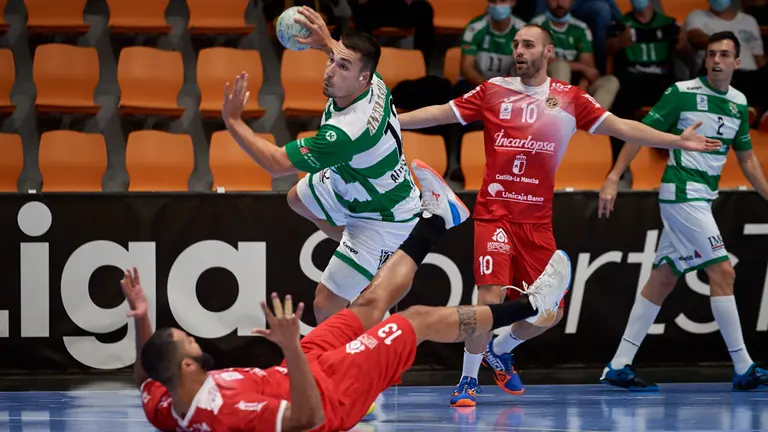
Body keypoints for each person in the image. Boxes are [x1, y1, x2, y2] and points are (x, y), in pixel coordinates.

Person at [395, 23, 722, 407]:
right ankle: (468, 380)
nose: (519, 51)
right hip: (495, 213)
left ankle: (500, 348)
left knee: (550, 311)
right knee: (490, 296)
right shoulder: (495, 90)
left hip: (537, 221)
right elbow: (442, 113)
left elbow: (623, 127)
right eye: (516, 44)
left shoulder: (570, 98)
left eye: (528, 45)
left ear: (548, 52)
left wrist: (676, 140)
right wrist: (395, 121)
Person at [131, 160, 573, 432]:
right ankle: (533, 304)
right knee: (415, 320)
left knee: (366, 303)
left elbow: (145, 377)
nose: (193, 338)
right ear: (186, 366)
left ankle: (437, 217)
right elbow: (307, 419)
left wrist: (142, 317)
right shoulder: (225, 415)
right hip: (331, 395)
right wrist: (292, 348)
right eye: (186, 341)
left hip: (299, 366)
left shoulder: (163, 402)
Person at [222, 7, 421, 325]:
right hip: (357, 181)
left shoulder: (347, 132)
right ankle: (362, 256)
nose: (330, 72)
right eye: (331, 61)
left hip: (382, 215)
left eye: (342, 67)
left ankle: (372, 268)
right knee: (297, 199)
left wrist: (233, 121)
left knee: (325, 306)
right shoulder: (374, 82)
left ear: (362, 77)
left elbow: (276, 164)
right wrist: (326, 42)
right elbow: (347, 58)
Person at [598, 31, 768, 391]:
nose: (716, 60)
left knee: (663, 278)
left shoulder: (739, 102)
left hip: (703, 197)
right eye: (711, 54)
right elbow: (639, 132)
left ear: (738, 62)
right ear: (705, 60)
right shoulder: (682, 92)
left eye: (724, 55)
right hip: (682, 193)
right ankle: (744, 367)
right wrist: (613, 177)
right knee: (722, 271)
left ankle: (618, 365)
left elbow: (748, 158)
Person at [606, 0, 688, 184]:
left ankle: (680, 167)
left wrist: (683, 46)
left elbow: (683, 50)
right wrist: (619, 42)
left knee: (682, 100)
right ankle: (621, 169)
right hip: (632, 81)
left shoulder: (669, 24)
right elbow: (608, 48)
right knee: (619, 105)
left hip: (661, 81)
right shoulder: (620, 23)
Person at [531, 0, 620, 112]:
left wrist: (581, 87)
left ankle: (589, 120)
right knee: (560, 66)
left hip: (576, 86)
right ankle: (558, 114)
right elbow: (542, 61)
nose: (560, 3)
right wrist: (581, 67)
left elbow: (589, 68)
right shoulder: (537, 25)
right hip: (545, 86)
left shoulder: (581, 27)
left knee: (610, 81)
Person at [456, 0, 527, 95]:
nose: (497, 5)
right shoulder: (475, 27)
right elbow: (466, 69)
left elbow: (527, 70)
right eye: (493, 1)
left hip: (510, 88)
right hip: (477, 85)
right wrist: (490, 87)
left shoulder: (523, 31)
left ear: (513, 2)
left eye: (502, 1)